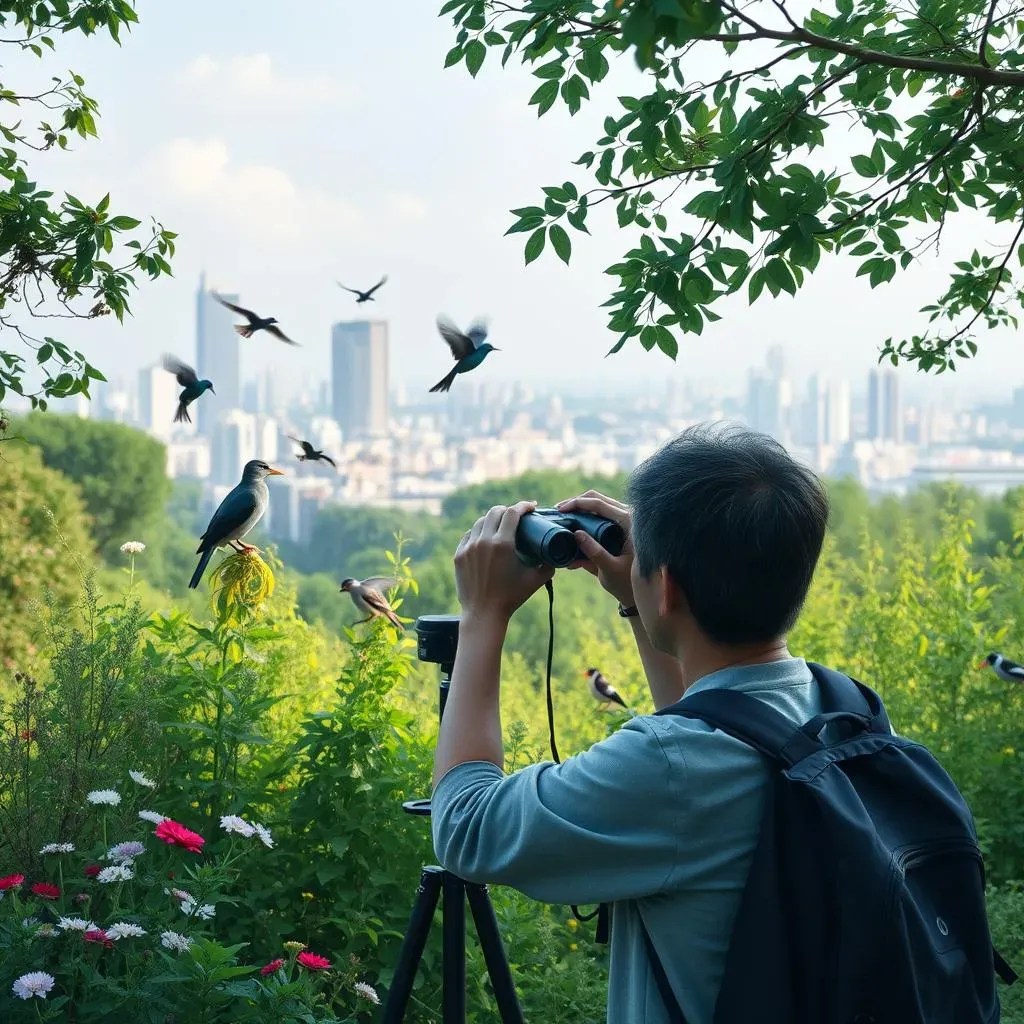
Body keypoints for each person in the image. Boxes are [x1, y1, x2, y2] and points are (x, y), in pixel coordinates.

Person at [430, 422, 831, 1024]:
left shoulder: (672, 769)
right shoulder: (841, 707)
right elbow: (709, 719)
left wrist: (483, 614)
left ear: (665, 585)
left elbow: (467, 827)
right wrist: (640, 603)